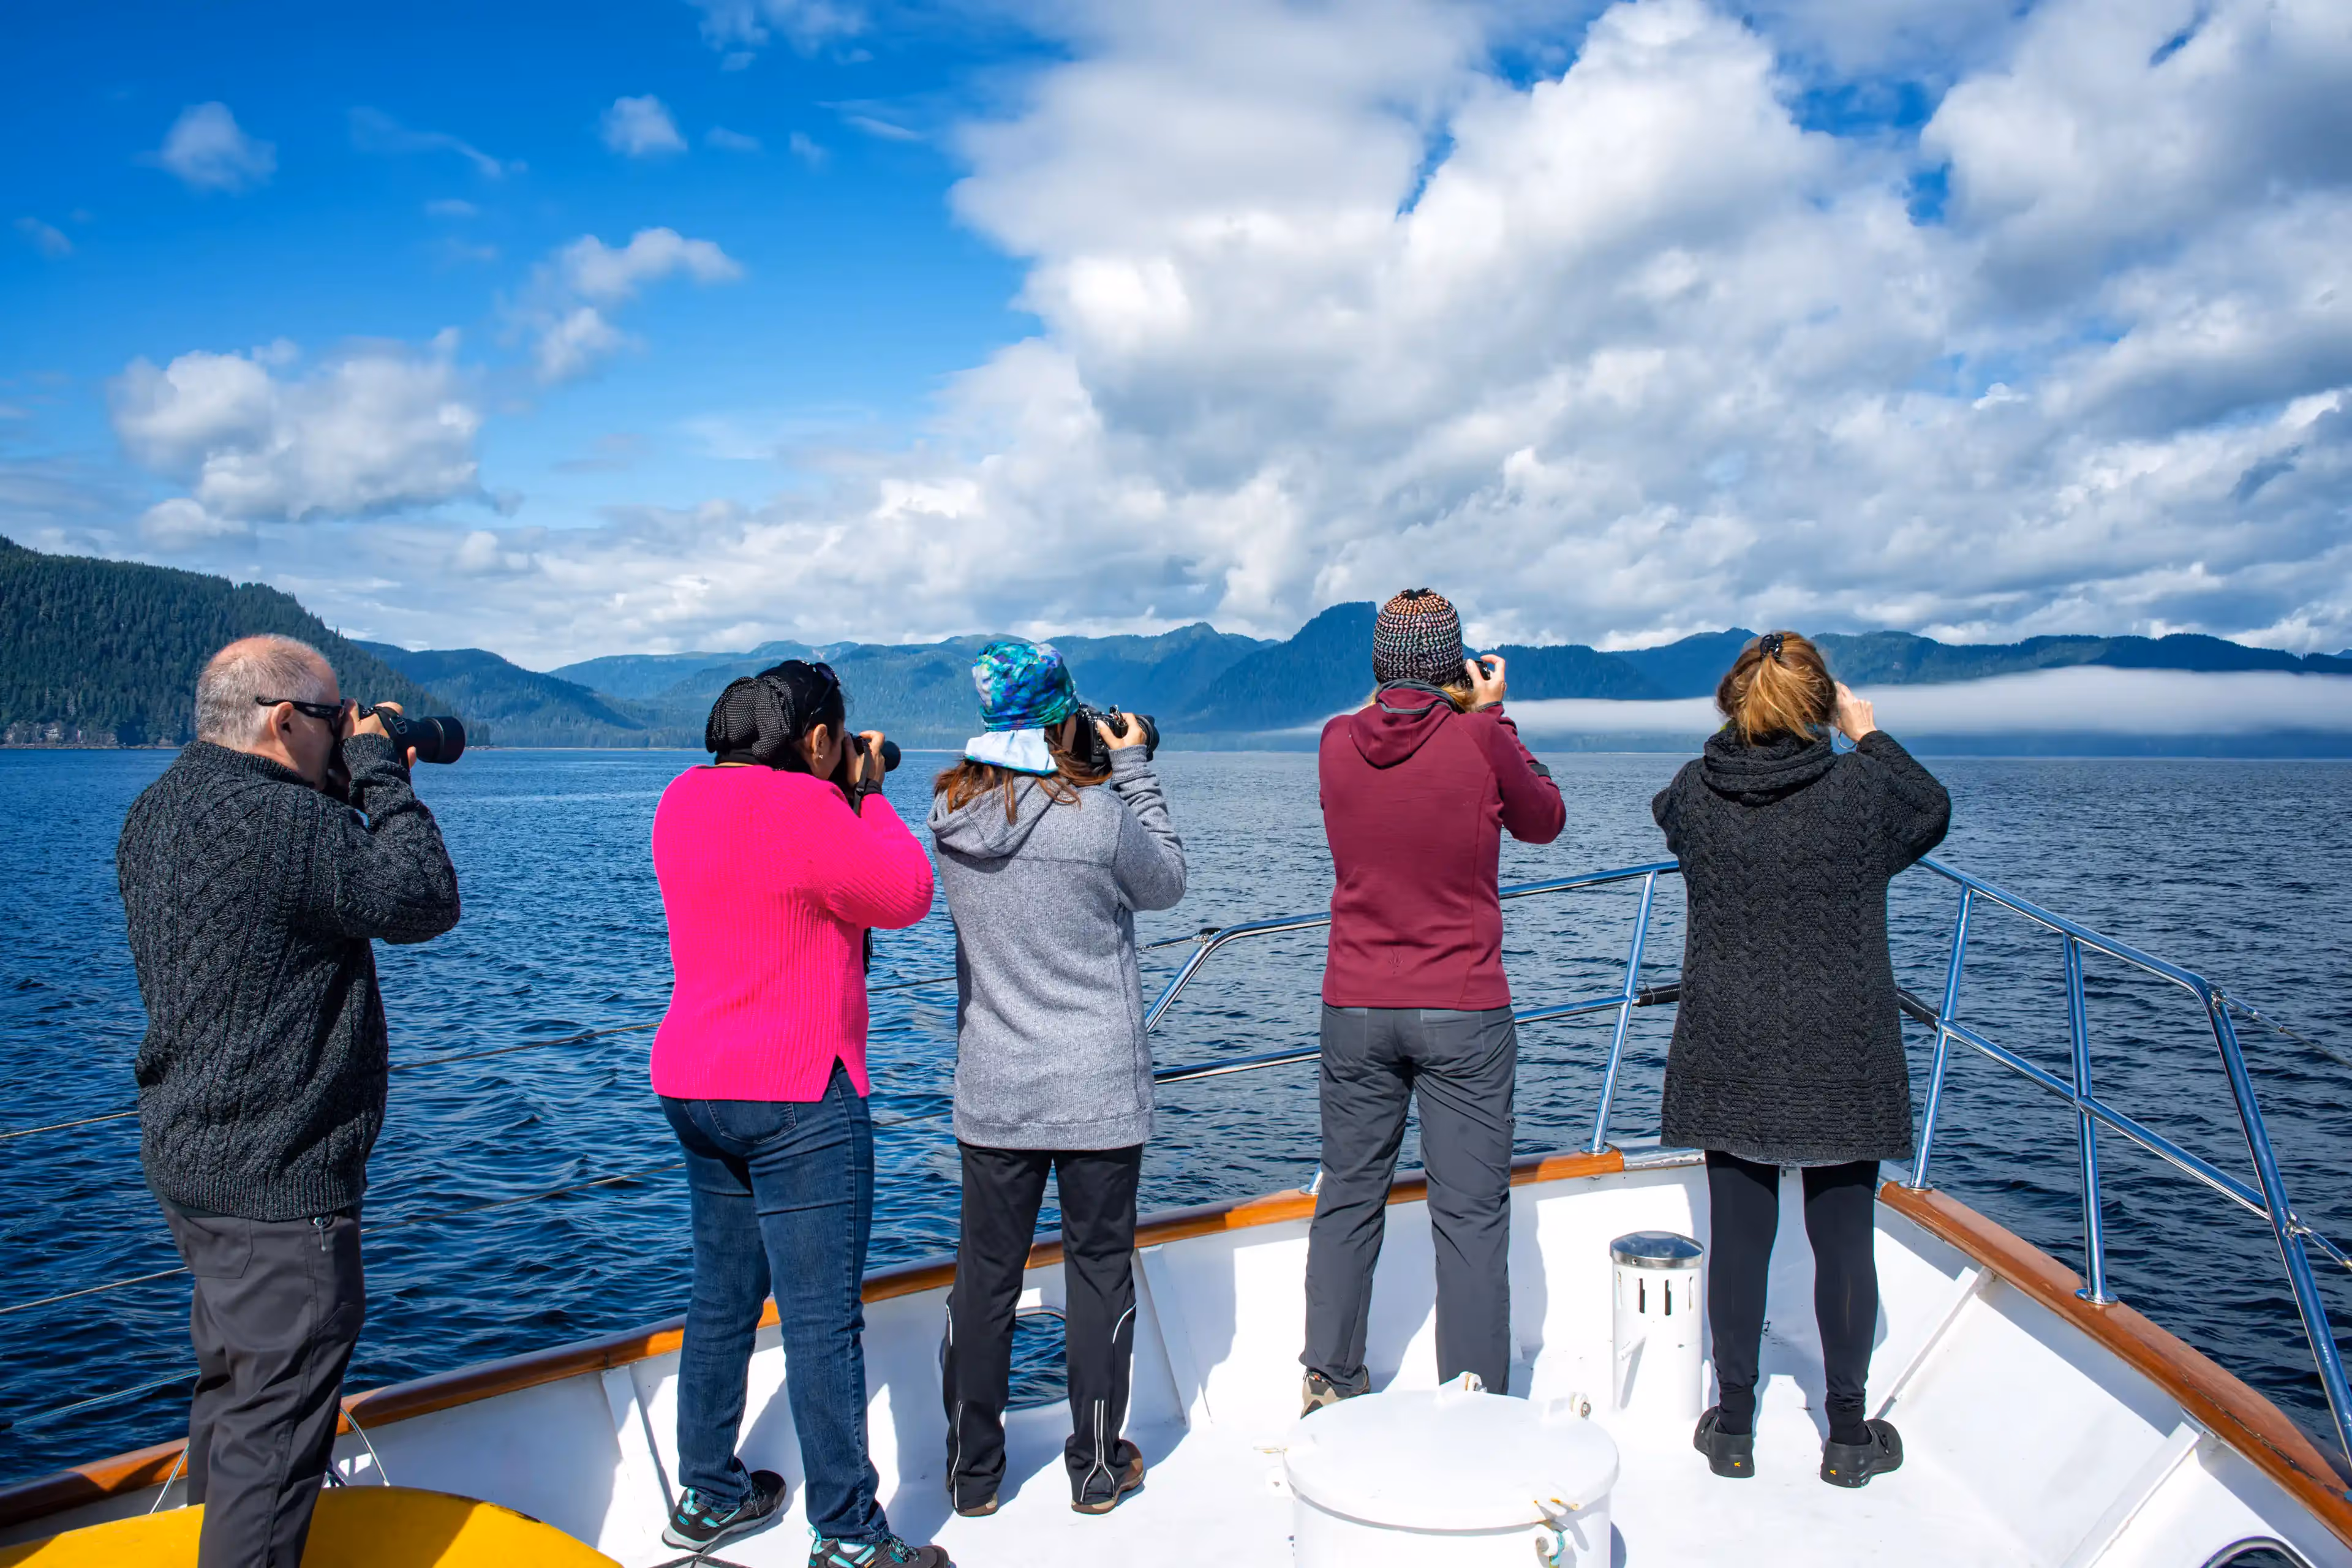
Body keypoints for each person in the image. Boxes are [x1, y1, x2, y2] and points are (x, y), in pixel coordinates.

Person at [116, 635, 461, 1568]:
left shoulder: (159, 810)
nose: (345, 733)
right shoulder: (291, 829)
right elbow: (426, 897)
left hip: (195, 1166)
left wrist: (339, 780)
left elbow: (269, 905)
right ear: (283, 721)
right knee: (274, 1458)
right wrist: (385, 777)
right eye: (333, 719)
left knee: (234, 1403)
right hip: (282, 1186)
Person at [649, 660, 948, 1567]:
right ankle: (851, 1537)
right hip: (797, 1092)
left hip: (695, 1084)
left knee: (721, 1296)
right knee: (821, 1321)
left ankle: (707, 1494)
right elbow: (905, 895)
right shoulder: (813, 810)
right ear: (817, 742)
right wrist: (869, 794)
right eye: (840, 739)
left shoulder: (679, 801)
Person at [1652, 630, 1950, 1490]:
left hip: (1728, 1039)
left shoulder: (1697, 795)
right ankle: (1848, 1437)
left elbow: (1667, 814)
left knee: (1740, 1242)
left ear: (1734, 704)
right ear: (1820, 706)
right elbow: (1930, 808)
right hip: (1840, 1041)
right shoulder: (1861, 797)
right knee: (1843, 1242)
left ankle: (1735, 1427)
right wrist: (1869, 734)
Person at [929, 639, 1187, 1518]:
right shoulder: (1098, 819)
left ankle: (971, 1477)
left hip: (995, 1085)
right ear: (1062, 717)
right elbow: (1169, 884)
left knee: (984, 1280)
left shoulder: (949, 819)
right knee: (1099, 1274)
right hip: (1096, 1090)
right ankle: (1097, 1468)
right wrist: (1134, 768)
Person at [1301, 588, 1566, 1414]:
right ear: (1454, 663)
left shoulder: (1334, 744)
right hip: (1462, 1008)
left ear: (1380, 663)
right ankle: (1476, 1402)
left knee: (1348, 1193)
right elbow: (1544, 818)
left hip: (1356, 1005)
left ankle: (1330, 1380)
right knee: (1471, 1212)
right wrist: (1495, 718)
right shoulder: (1482, 739)